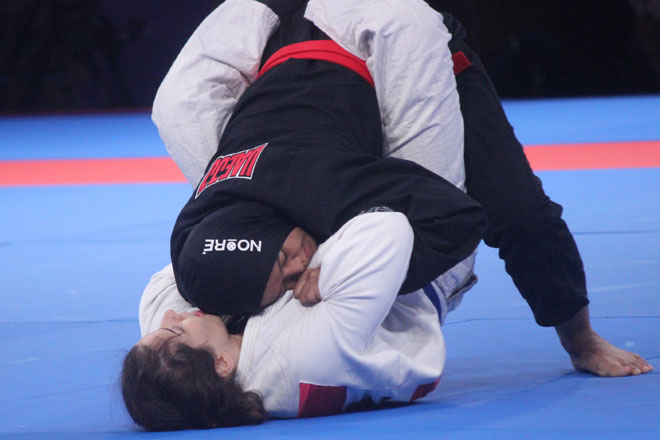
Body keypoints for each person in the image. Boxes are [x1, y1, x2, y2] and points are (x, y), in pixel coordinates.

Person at [150, 0, 652, 378]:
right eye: (289, 274)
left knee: (518, 213)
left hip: (399, 44)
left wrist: (346, 271)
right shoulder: (198, 233)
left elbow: (455, 217)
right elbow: (220, 271)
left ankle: (581, 339)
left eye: (286, 260)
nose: (300, 264)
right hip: (287, 68)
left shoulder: (331, 184)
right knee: (175, 104)